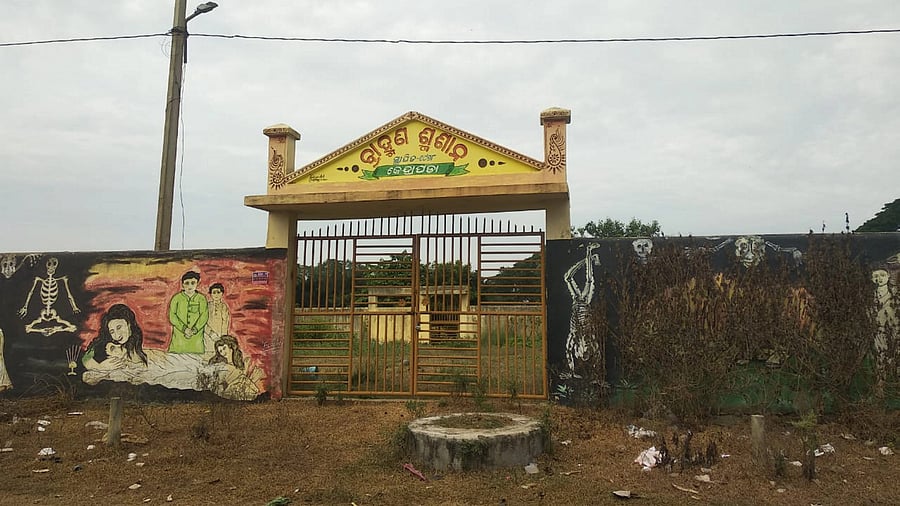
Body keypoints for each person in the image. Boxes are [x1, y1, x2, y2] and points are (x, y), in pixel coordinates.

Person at [83, 304, 148, 371]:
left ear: (128, 323)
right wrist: (100, 366)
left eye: (119, 327)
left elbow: (138, 359)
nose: (117, 335)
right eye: (112, 331)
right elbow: (85, 359)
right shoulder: (104, 342)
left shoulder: (136, 335)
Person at [168, 270, 209, 354]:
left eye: (193, 283)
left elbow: (204, 316)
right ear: (182, 284)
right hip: (178, 340)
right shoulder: (176, 298)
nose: (190, 286)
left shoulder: (201, 298)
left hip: (196, 341)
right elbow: (172, 316)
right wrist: (184, 329)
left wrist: (194, 330)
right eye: (187, 283)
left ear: (197, 283)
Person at [204, 283, 231, 356]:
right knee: (208, 354)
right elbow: (202, 322)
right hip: (208, 335)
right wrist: (210, 333)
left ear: (222, 293)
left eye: (218, 292)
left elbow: (225, 323)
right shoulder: (207, 306)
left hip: (219, 335)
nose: (216, 295)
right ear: (211, 294)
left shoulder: (224, 307)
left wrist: (223, 337)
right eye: (214, 292)